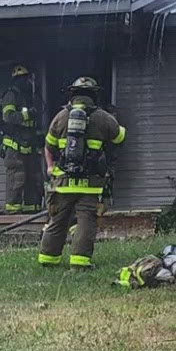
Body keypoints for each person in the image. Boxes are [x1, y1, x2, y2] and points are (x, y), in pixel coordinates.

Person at [38, 76, 126, 270]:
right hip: (91, 183)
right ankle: (80, 263)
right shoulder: (102, 117)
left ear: (73, 95)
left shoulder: (60, 117)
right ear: (94, 95)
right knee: (86, 220)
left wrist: (50, 166)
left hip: (62, 183)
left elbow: (48, 146)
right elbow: (120, 138)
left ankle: (47, 260)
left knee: (58, 220)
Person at [0, 66, 45, 213]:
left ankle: (31, 208)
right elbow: (8, 116)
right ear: (17, 80)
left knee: (33, 176)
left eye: (27, 78)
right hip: (14, 143)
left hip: (29, 142)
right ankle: (13, 210)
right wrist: (27, 115)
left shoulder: (30, 96)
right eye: (23, 78)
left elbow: (36, 120)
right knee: (17, 176)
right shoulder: (11, 95)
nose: (27, 81)